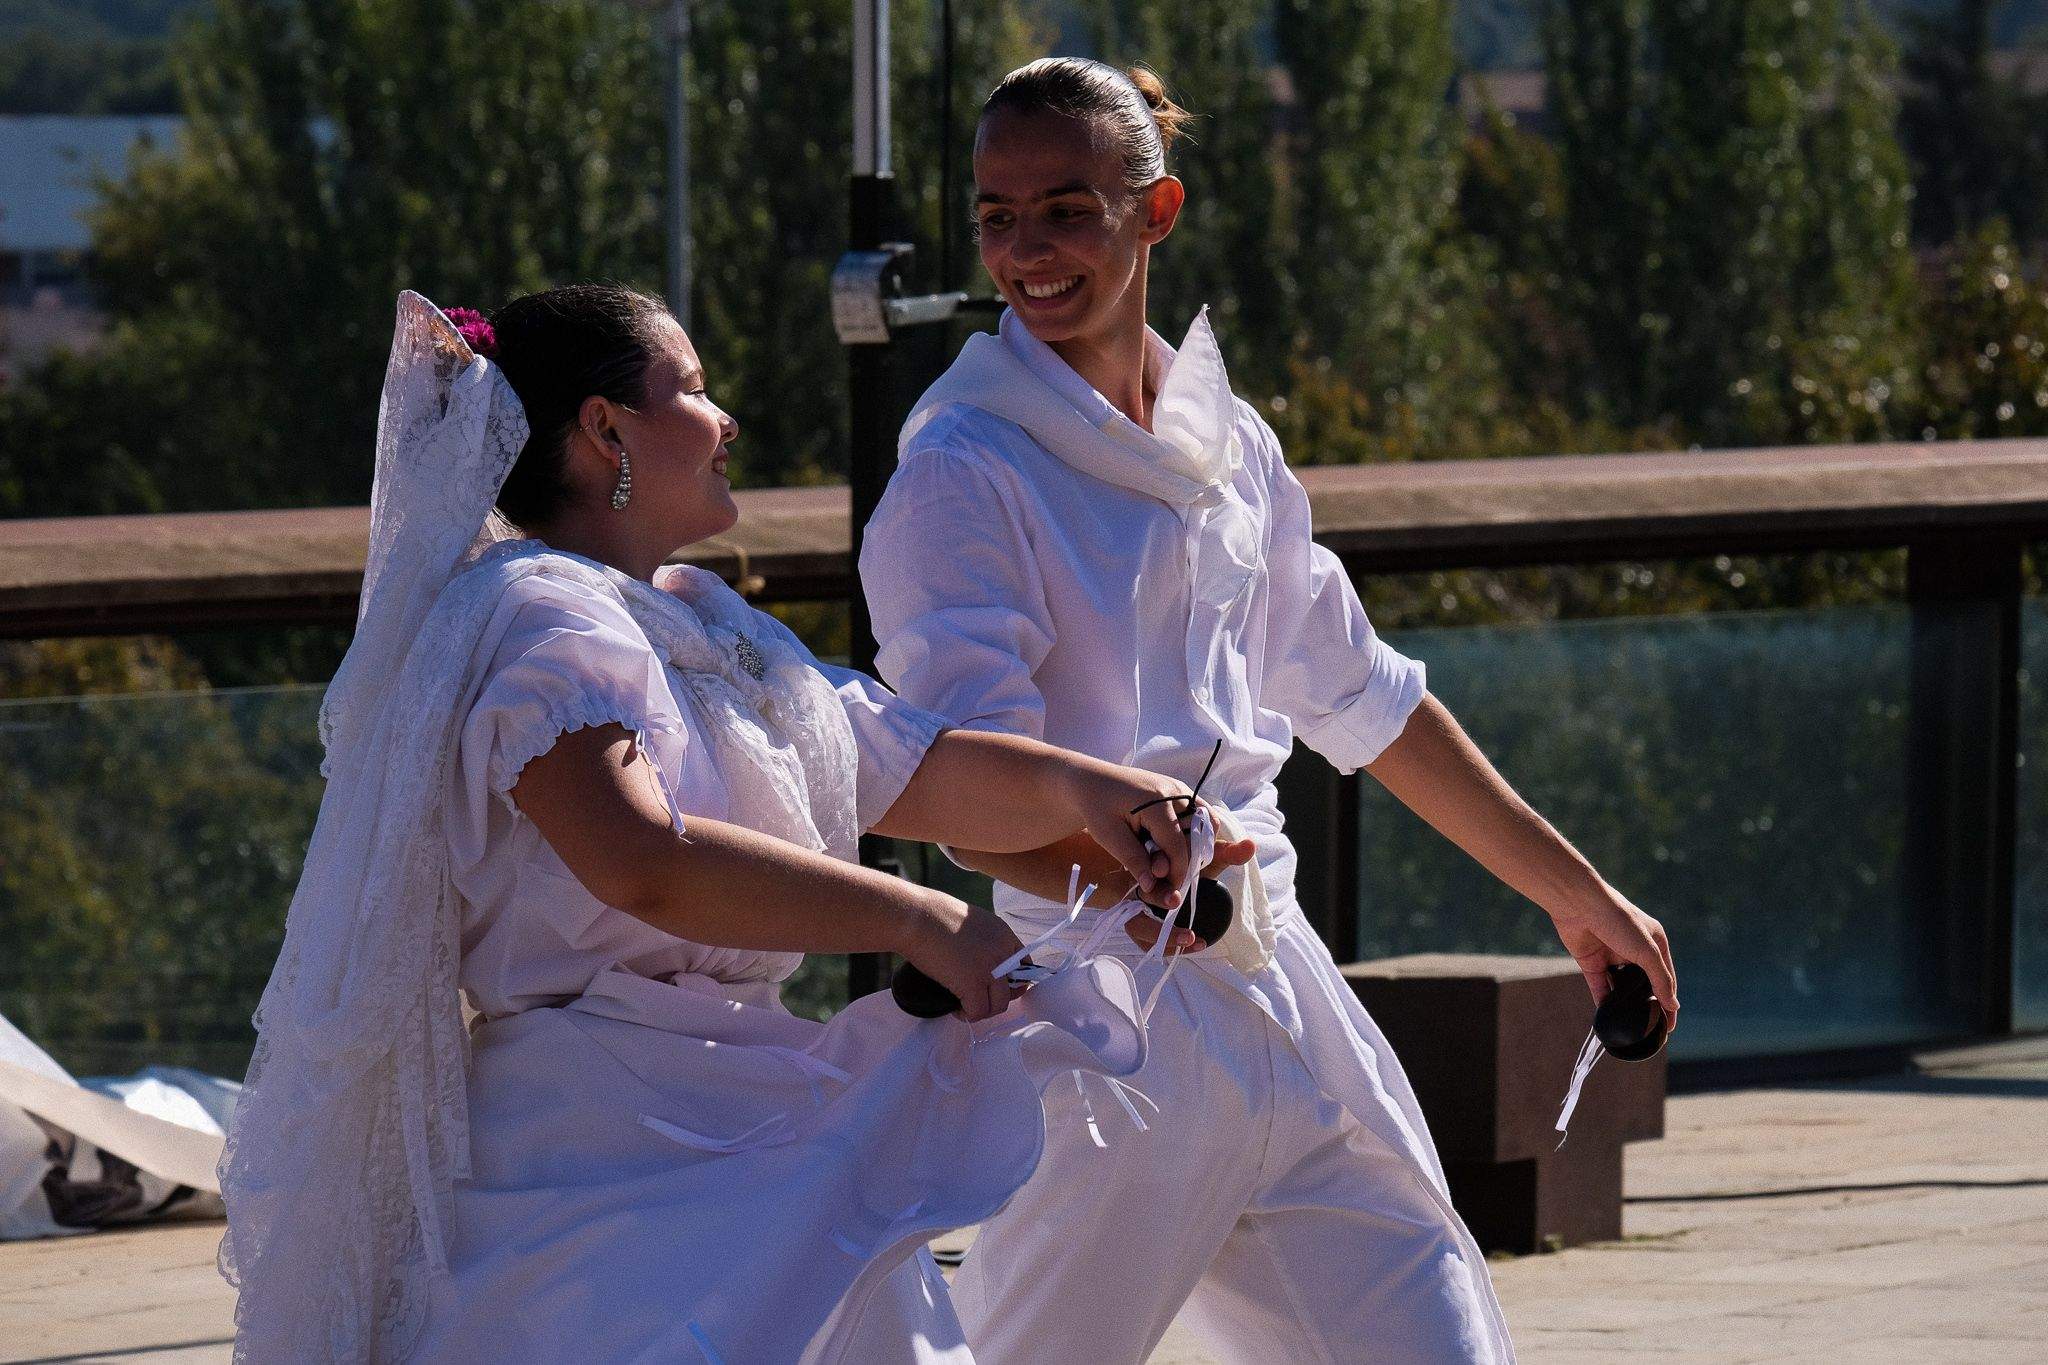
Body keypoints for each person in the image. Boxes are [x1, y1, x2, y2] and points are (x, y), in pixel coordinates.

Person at [860, 58, 1681, 1364]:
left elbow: (1366, 695)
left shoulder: (1228, 438)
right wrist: (1152, 886)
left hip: (1283, 992)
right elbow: (960, 796)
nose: (1026, 250)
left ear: (1156, 211)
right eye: (997, 217)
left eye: (1066, 210)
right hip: (1101, 1022)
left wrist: (1575, 896)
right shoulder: (961, 467)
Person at [218, 286, 1211, 1363]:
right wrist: (920, 919)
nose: (725, 418)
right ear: (606, 431)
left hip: (746, 1114)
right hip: (596, 1149)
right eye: (691, 389)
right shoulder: (536, 616)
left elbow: (911, 763)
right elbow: (641, 860)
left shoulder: (702, 618)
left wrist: (1098, 793)